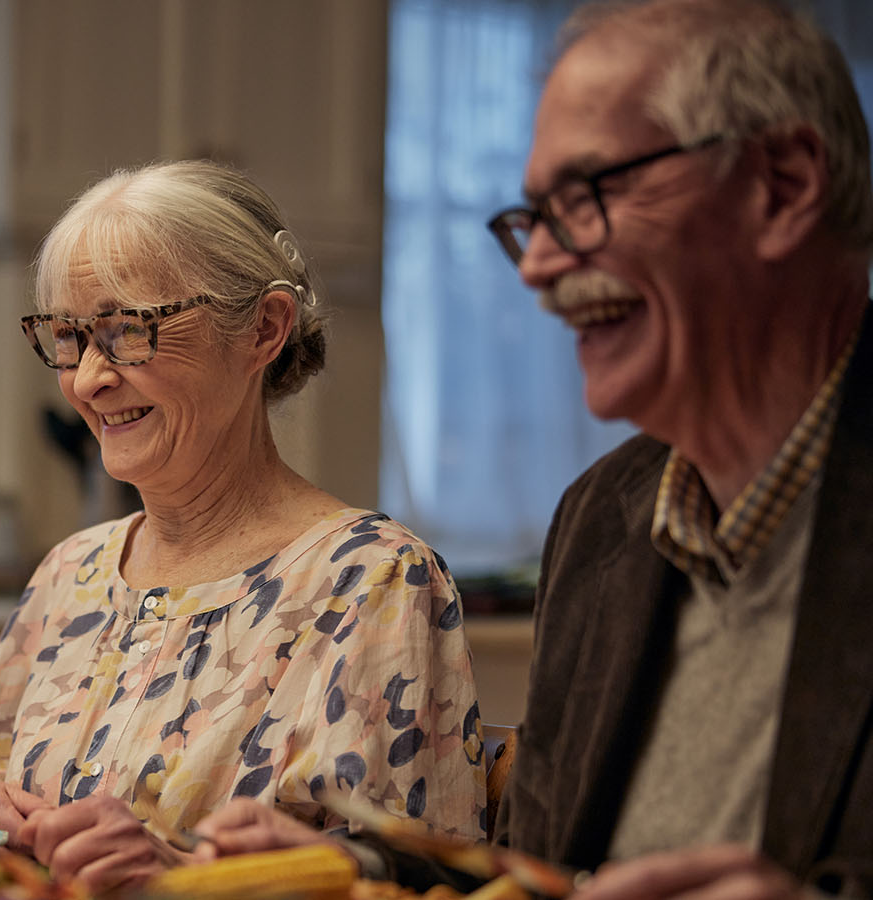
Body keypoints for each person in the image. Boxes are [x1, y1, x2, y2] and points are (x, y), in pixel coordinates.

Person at [198, 1, 873, 896]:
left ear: (782, 186)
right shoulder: (605, 519)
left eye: (590, 195)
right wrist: (340, 865)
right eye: (535, 215)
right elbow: (536, 863)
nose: (538, 265)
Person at [0, 160, 486, 893]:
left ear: (264, 329)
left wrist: (179, 876)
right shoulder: (71, 571)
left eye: (128, 331)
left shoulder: (369, 581)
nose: (88, 378)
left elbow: (418, 883)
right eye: (68, 336)